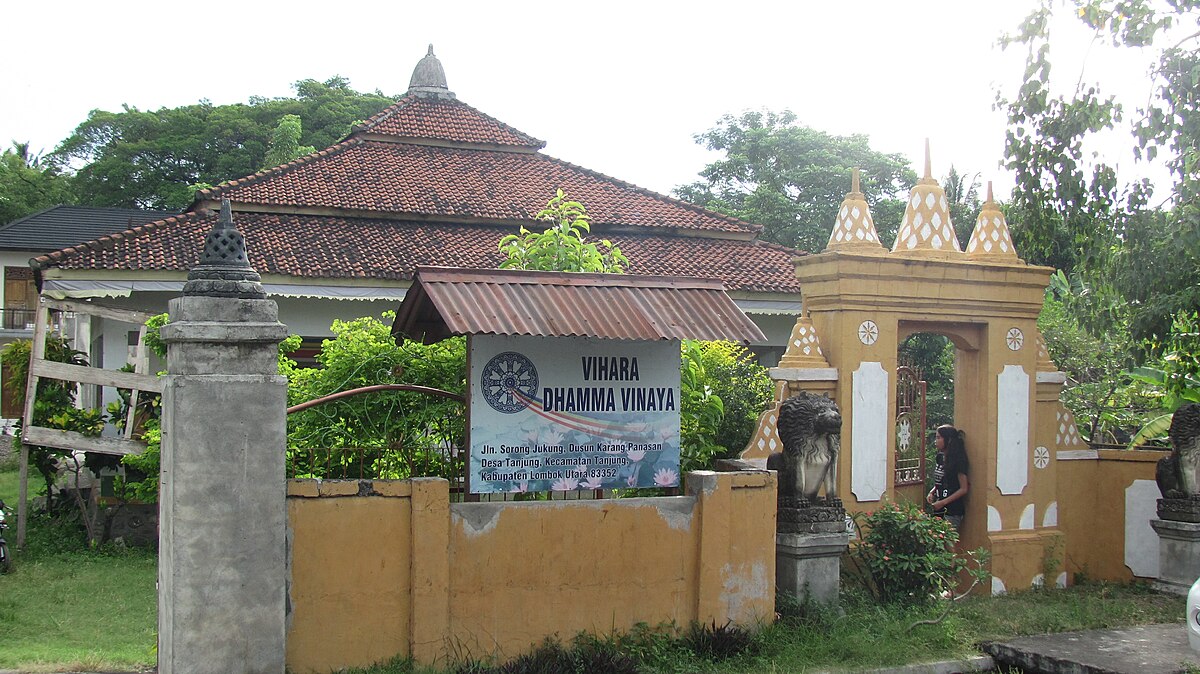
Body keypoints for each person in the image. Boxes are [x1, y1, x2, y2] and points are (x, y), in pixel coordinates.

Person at [926, 424, 969, 534]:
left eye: (939, 437)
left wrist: (943, 502)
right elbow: (942, 480)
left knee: (947, 541)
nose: (936, 441)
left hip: (952, 510)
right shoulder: (940, 457)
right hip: (939, 507)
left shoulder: (958, 461)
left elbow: (964, 488)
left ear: (948, 440)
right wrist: (932, 492)